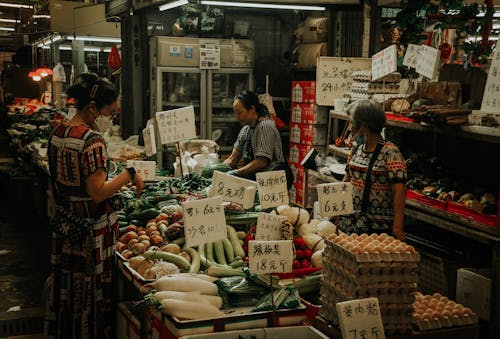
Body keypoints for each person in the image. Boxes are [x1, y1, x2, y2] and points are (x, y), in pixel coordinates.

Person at [44, 73, 144, 339]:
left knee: (68, 289)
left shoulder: (58, 132)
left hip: (66, 226)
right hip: (91, 233)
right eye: (109, 112)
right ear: (92, 108)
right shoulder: (92, 140)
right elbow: (97, 193)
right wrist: (129, 175)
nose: (110, 118)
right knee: (90, 295)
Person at [342, 99, 407, 241]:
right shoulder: (356, 149)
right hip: (352, 225)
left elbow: (399, 191)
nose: (350, 128)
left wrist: (398, 227)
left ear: (364, 126)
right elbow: (346, 181)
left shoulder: (391, 152)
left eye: (352, 123)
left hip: (379, 230)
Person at [223, 89, 293, 189]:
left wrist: (237, 172)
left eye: (239, 113)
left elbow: (262, 161)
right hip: (258, 179)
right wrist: (216, 171)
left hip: (273, 181)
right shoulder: (246, 129)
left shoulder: (265, 126)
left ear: (252, 109)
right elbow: (232, 159)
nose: (237, 117)